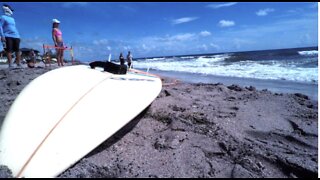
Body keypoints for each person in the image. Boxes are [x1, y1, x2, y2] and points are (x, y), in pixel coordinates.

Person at [0, 4, 22, 69]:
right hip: (7, 35)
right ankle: (10, 65)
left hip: (16, 36)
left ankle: (19, 63)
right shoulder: (2, 17)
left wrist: (18, 36)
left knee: (17, 50)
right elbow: (0, 26)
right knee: (9, 50)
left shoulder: (12, 19)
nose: (11, 11)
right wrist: (2, 36)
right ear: (7, 9)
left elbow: (14, 27)